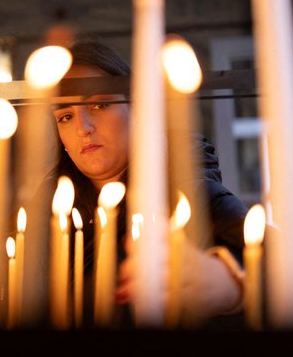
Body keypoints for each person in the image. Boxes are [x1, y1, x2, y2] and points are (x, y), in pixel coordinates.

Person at [29, 38, 250, 329]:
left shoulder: (191, 195)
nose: (83, 128)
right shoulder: (43, 212)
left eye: (99, 104)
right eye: (66, 116)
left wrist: (230, 287)